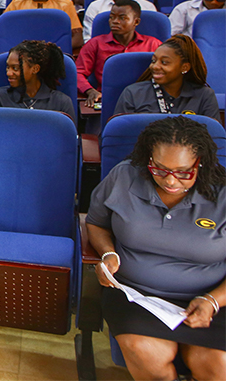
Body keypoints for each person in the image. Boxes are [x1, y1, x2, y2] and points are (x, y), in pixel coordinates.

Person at [86, 116, 226, 381]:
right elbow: (95, 223)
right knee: (146, 352)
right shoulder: (124, 176)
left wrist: (213, 301)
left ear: (201, 163)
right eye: (159, 169)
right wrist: (108, 253)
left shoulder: (223, 194)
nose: (171, 181)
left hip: (213, 299)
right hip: (137, 295)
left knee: (217, 363)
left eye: (184, 172)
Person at [77, 0, 163, 107]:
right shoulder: (95, 44)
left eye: (122, 18)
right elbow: (77, 73)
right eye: (112, 17)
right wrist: (89, 90)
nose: (115, 21)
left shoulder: (153, 44)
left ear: (136, 22)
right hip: (107, 98)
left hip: (146, 99)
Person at [115, 34, 219, 119]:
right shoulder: (133, 93)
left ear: (184, 67)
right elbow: (118, 137)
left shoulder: (204, 96)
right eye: (153, 61)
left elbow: (214, 139)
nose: (155, 66)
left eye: (164, 62)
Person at [0, 40, 75, 122]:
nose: (9, 73)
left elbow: (68, 136)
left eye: (15, 68)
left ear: (35, 69)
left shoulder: (61, 102)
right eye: (8, 67)